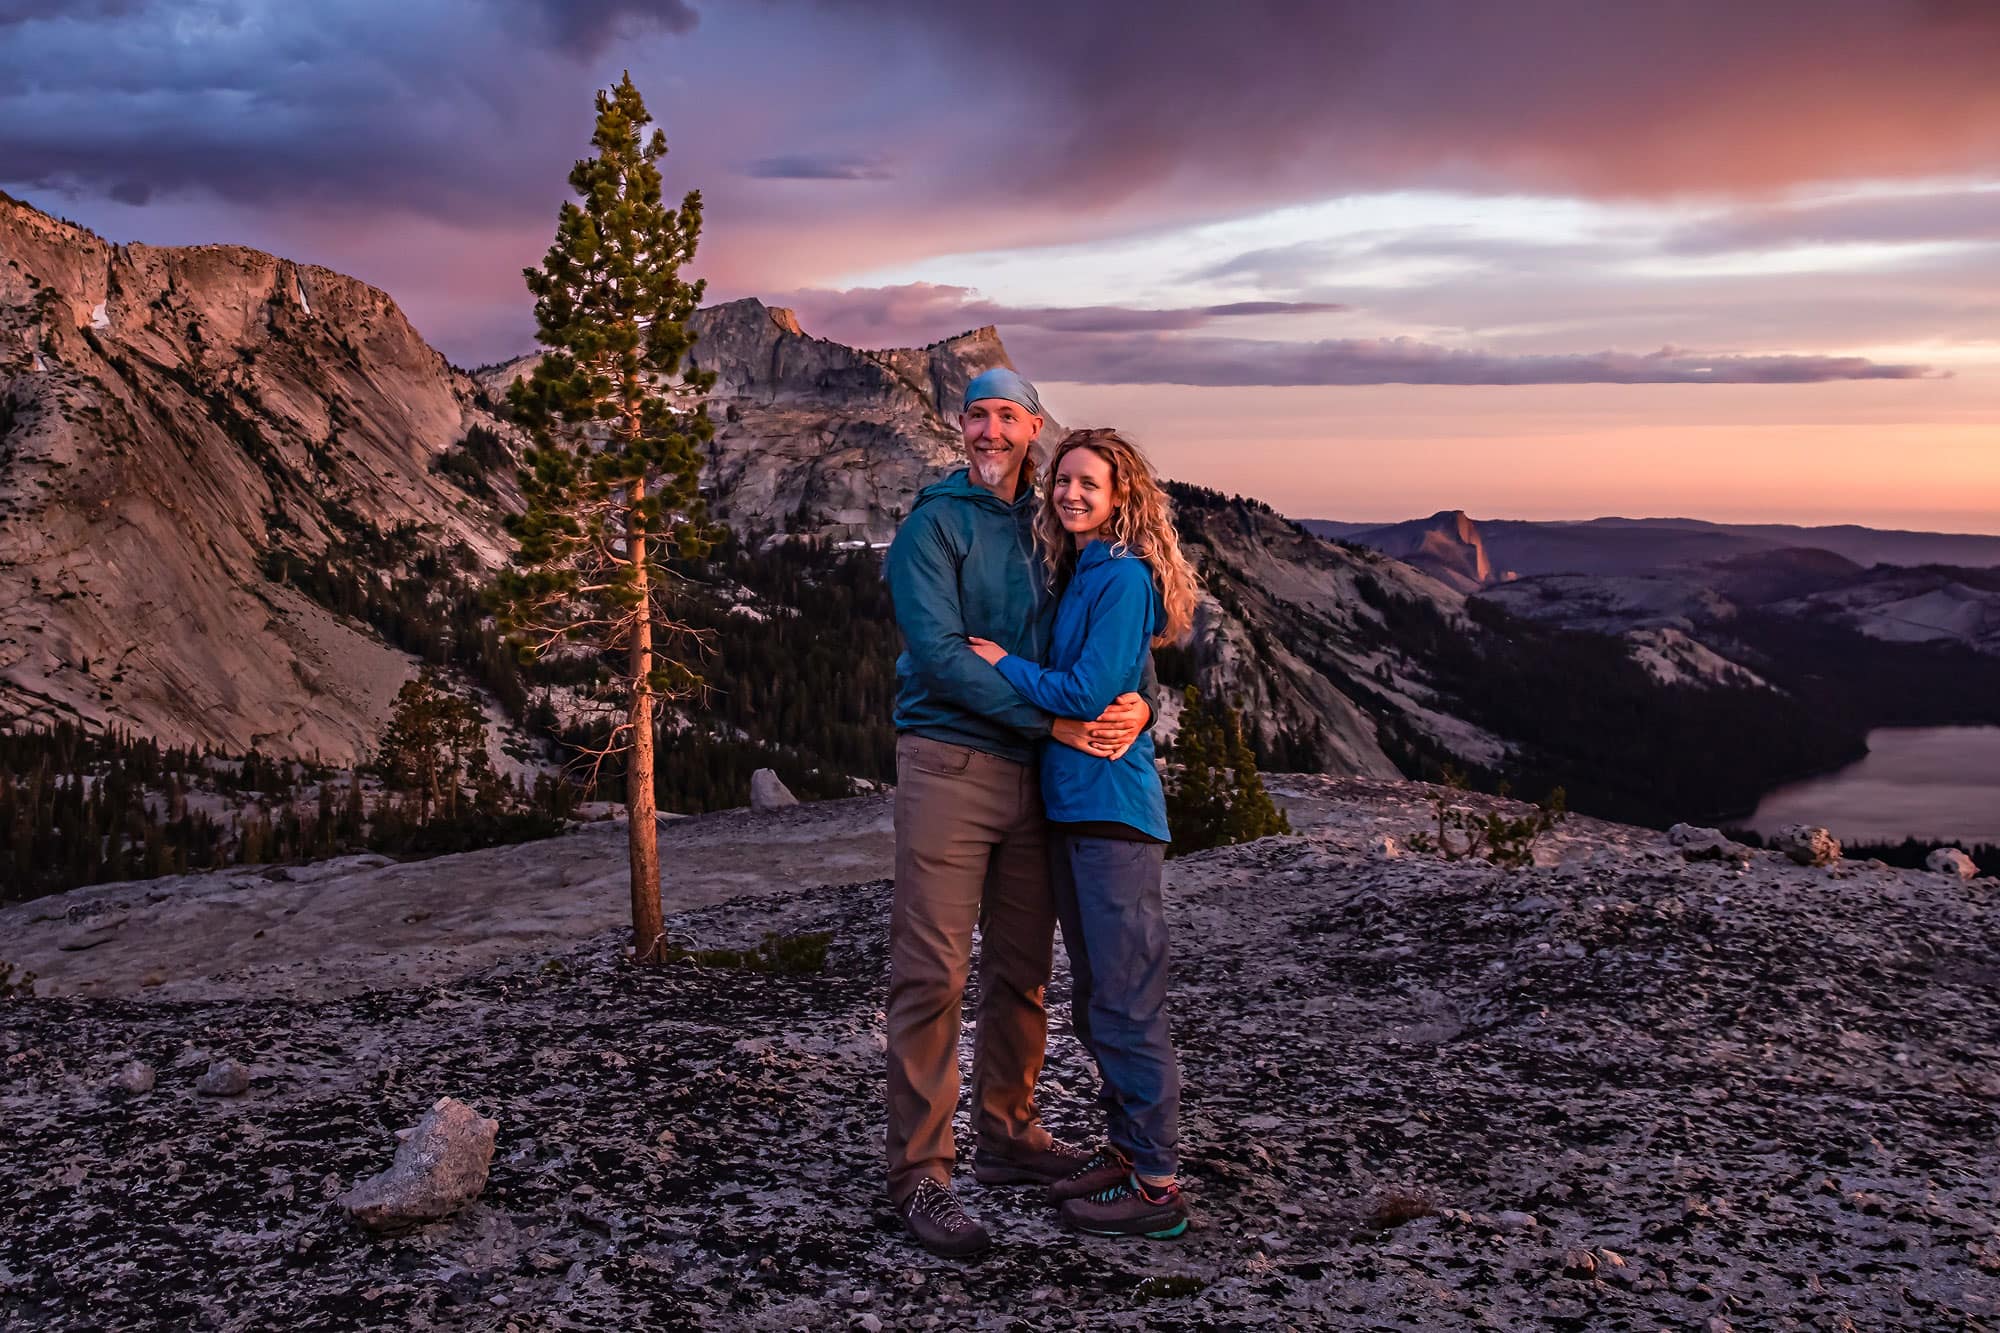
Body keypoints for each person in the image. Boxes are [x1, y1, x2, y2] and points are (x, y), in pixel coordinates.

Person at [883, 368, 1154, 1258]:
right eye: (978, 415)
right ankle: (923, 1169)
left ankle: (1008, 1131)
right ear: (960, 426)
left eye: (1009, 416)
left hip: (1041, 774)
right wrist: (1060, 720)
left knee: (1022, 969)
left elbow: (1101, 634)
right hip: (951, 765)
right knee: (933, 971)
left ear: (1033, 425)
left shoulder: (1052, 526)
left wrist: (1142, 698)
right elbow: (941, 658)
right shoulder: (934, 525)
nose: (992, 430)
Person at [968, 426, 1199, 1240]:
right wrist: (1142, 695)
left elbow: (1084, 689)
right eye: (1062, 480)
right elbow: (1124, 678)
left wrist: (1001, 663)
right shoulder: (1084, 572)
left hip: (1113, 814)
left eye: (1088, 484)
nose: (1070, 493)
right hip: (1076, 811)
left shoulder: (1123, 576)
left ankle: (1159, 1185)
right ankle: (1130, 1149)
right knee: (1101, 998)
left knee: (1128, 997)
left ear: (1120, 495)